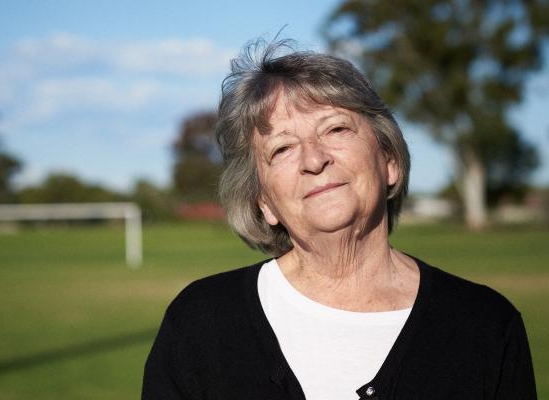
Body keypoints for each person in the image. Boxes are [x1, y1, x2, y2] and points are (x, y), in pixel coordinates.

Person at [142, 39, 536, 400]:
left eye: (335, 128)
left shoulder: (485, 326)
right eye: (281, 149)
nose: (314, 159)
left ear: (389, 160)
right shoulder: (200, 323)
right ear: (264, 202)